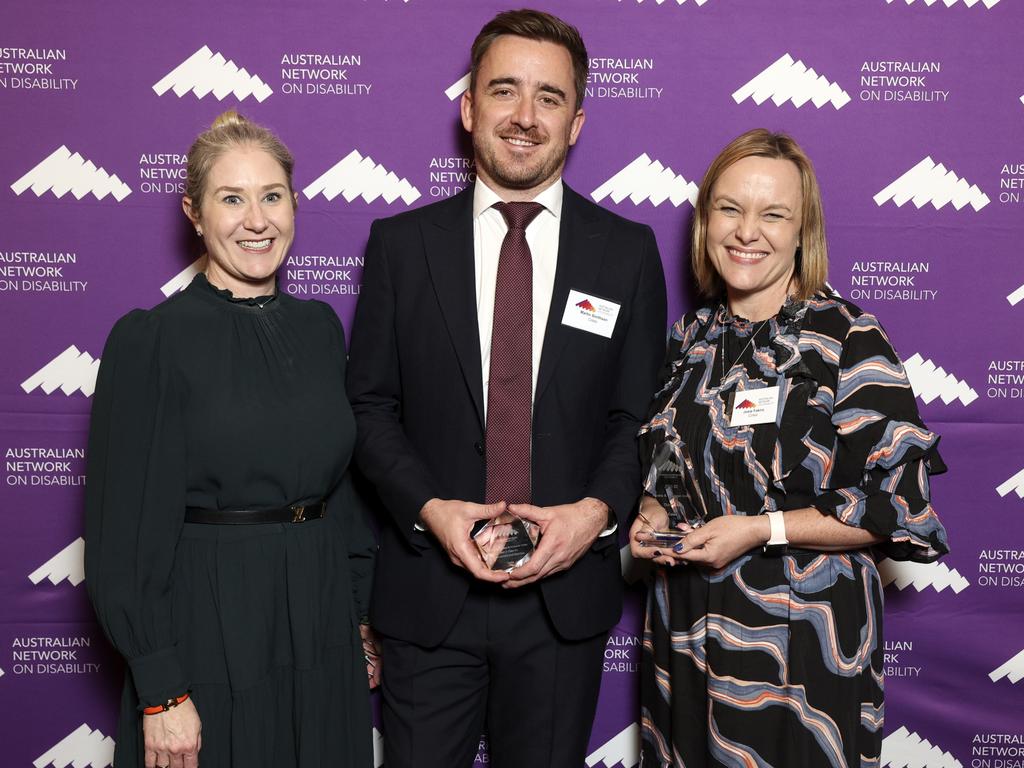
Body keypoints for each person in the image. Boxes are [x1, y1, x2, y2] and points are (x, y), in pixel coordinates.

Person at [345, 9, 667, 767]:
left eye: (549, 98)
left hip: (562, 605)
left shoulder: (626, 253)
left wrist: (592, 517)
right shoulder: (400, 246)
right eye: (505, 91)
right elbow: (369, 408)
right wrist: (430, 511)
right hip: (430, 595)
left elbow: (636, 417)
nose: (525, 117)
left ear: (577, 121)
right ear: (468, 108)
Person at [630, 128, 949, 767]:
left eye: (773, 214)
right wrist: (652, 514)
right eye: (730, 208)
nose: (748, 231)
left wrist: (758, 529)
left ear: (802, 232)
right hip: (686, 632)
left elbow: (894, 506)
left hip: (803, 642)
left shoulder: (847, 339)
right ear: (704, 221)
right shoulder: (691, 337)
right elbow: (670, 459)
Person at [85, 110, 378, 768]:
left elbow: (345, 493)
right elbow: (122, 536)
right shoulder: (151, 342)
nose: (257, 220)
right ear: (194, 212)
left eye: (272, 196)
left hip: (320, 618)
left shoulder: (320, 328)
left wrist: (358, 617)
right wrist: (161, 690)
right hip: (211, 624)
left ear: (295, 205)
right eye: (232, 199)